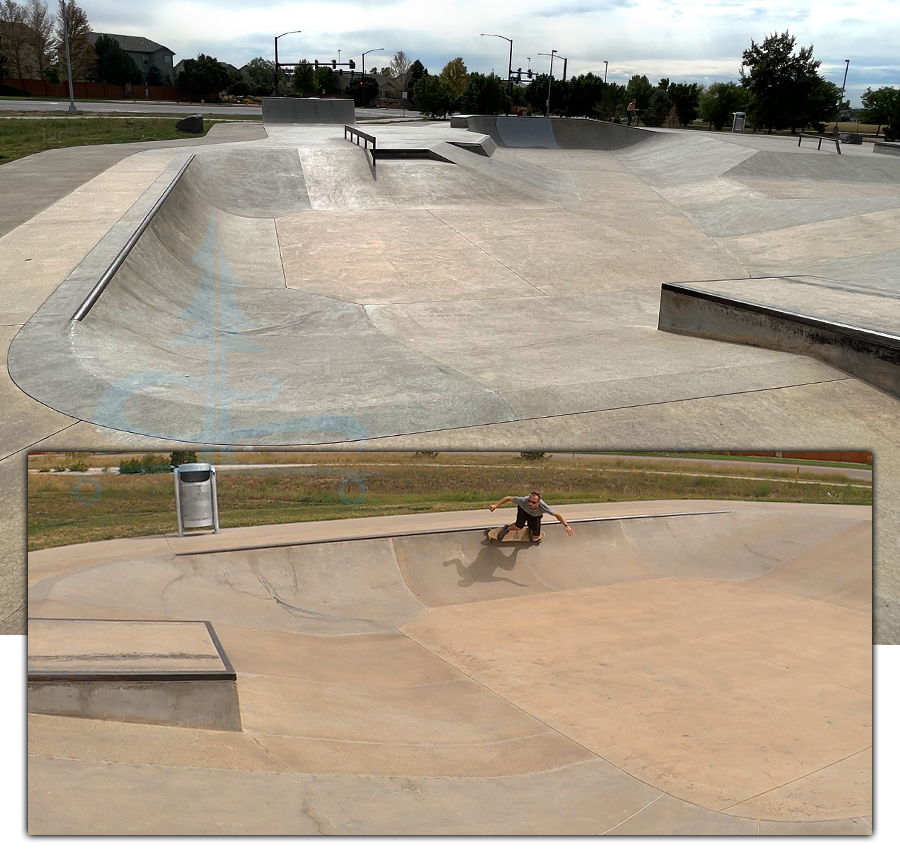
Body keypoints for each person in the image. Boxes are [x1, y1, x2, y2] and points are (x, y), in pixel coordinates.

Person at [489, 491, 574, 540]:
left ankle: (531, 529)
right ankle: (507, 528)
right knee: (518, 527)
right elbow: (508, 498)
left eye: (533, 502)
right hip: (523, 511)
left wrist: (566, 525)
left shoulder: (543, 506)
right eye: (529, 501)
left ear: (538, 502)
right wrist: (496, 505)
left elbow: (557, 515)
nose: (530, 503)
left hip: (535, 516)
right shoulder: (523, 501)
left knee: (536, 537)